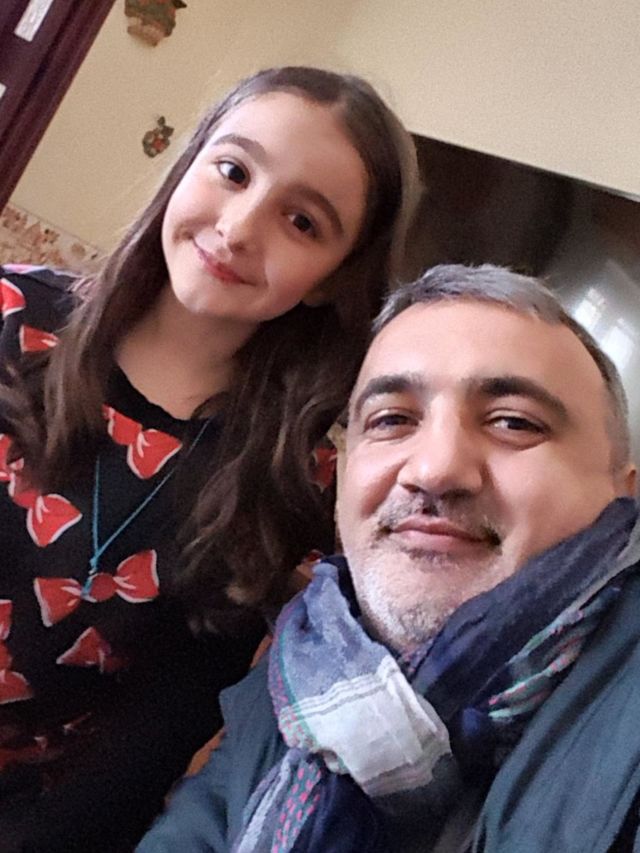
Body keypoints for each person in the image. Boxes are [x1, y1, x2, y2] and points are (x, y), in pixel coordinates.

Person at [0, 66, 419, 851]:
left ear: (332, 279)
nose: (240, 226)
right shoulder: (9, 315)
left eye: (303, 221)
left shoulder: (292, 487)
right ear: (188, 163)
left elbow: (154, 737)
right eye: (232, 170)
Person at [138, 263, 640, 853]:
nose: (434, 469)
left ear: (624, 494)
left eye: (513, 423)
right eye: (392, 419)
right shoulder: (294, 679)